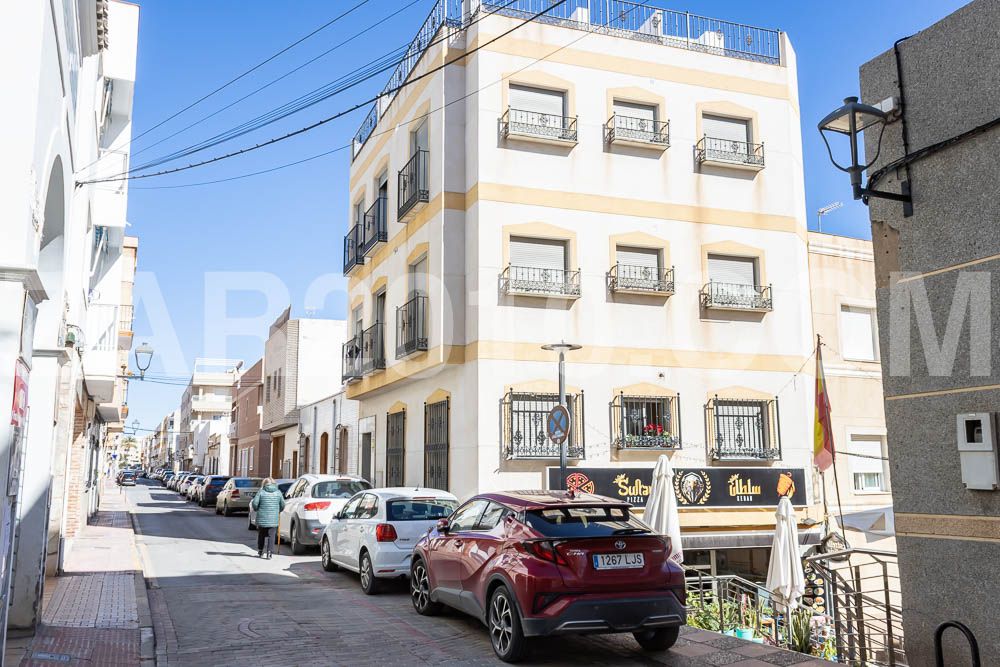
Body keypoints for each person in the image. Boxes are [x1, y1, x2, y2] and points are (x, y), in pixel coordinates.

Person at [250, 477, 284, 559]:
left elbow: (254, 503)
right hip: (273, 518)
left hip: (262, 517)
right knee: (271, 536)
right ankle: (269, 553)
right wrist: (278, 510)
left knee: (261, 535)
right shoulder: (278, 492)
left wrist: (256, 509)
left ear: (264, 484)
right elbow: (282, 505)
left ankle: (260, 551)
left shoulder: (261, 492)